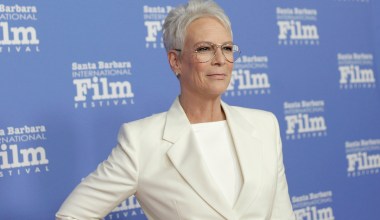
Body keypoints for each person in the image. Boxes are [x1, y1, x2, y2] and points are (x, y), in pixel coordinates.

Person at [56, 0, 295, 219]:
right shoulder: (141, 142)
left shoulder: (265, 126)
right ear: (175, 61)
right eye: (205, 49)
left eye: (227, 48)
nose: (220, 59)